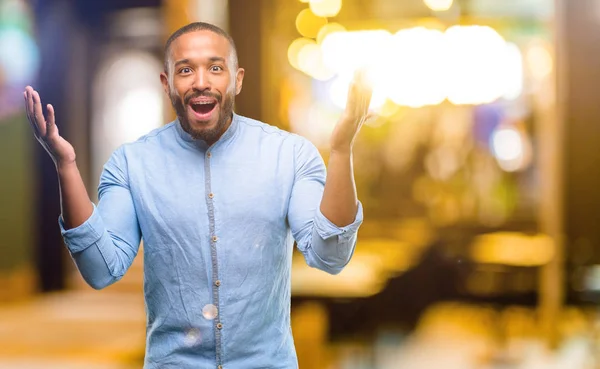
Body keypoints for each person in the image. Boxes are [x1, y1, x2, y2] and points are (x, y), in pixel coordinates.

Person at [24, 22, 373, 369]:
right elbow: (101, 268)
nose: (201, 82)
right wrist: (65, 164)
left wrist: (341, 151)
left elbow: (330, 254)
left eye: (215, 68)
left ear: (236, 79)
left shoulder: (291, 155)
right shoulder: (132, 163)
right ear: (166, 83)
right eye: (186, 69)